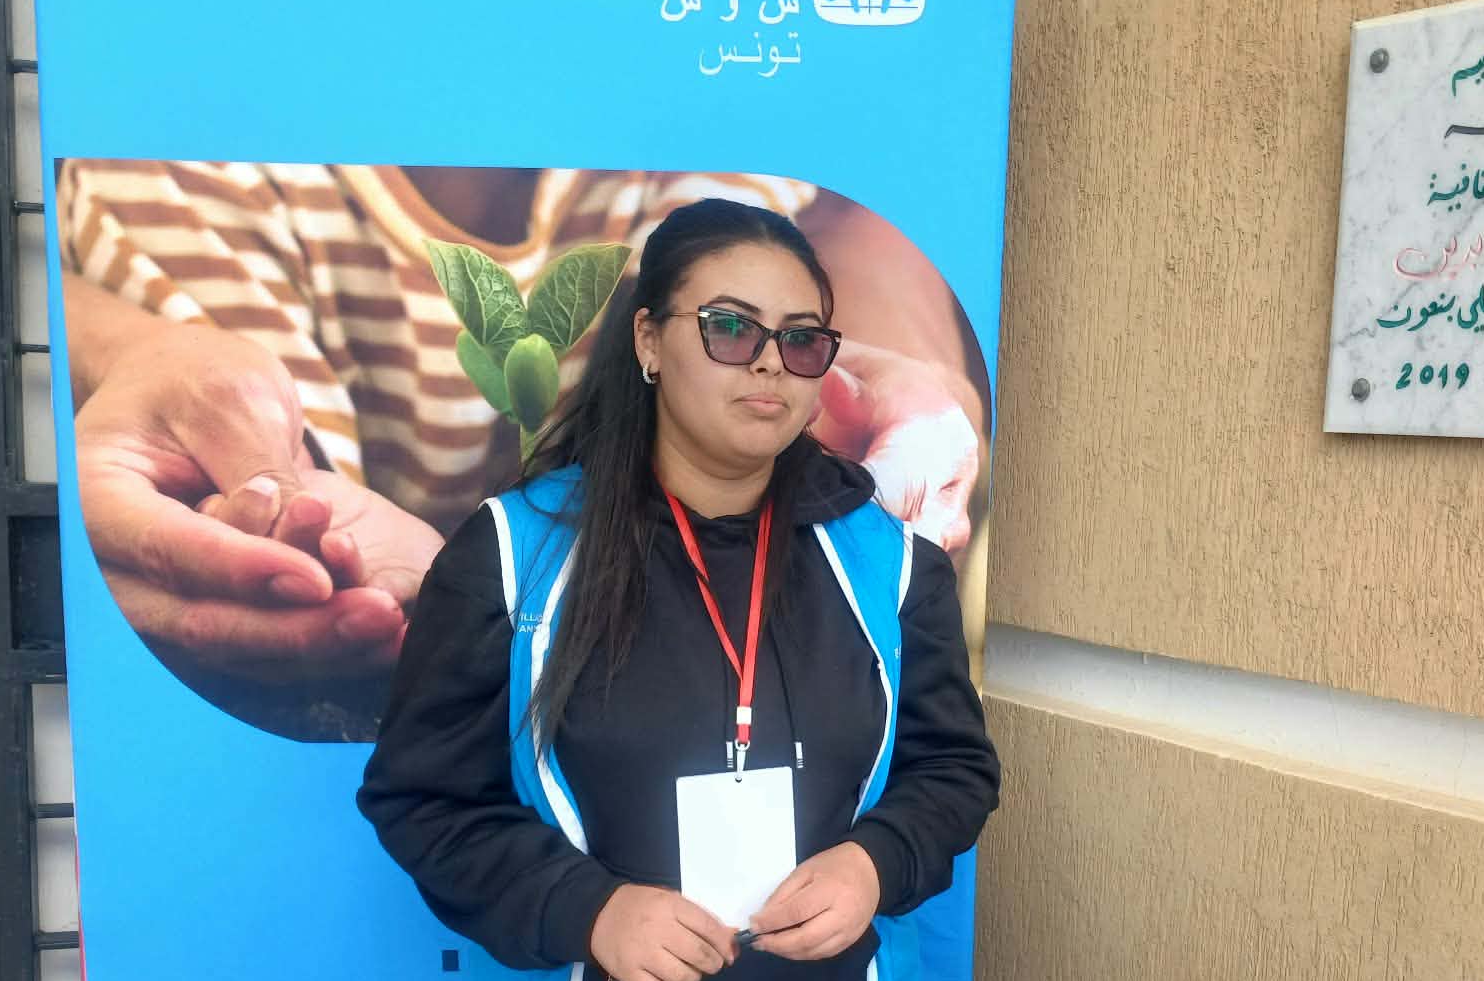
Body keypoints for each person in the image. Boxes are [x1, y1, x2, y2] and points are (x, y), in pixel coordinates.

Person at [357, 198, 999, 981]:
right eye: (731, 328)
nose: (769, 361)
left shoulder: (888, 561)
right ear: (649, 341)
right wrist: (591, 911)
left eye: (801, 339)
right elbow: (424, 799)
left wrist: (873, 864)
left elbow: (953, 771)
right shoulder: (512, 555)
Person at [57, 162, 990, 738]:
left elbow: (843, 215)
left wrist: (886, 381)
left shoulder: (704, 99)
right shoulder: (188, 180)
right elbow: (279, 479)